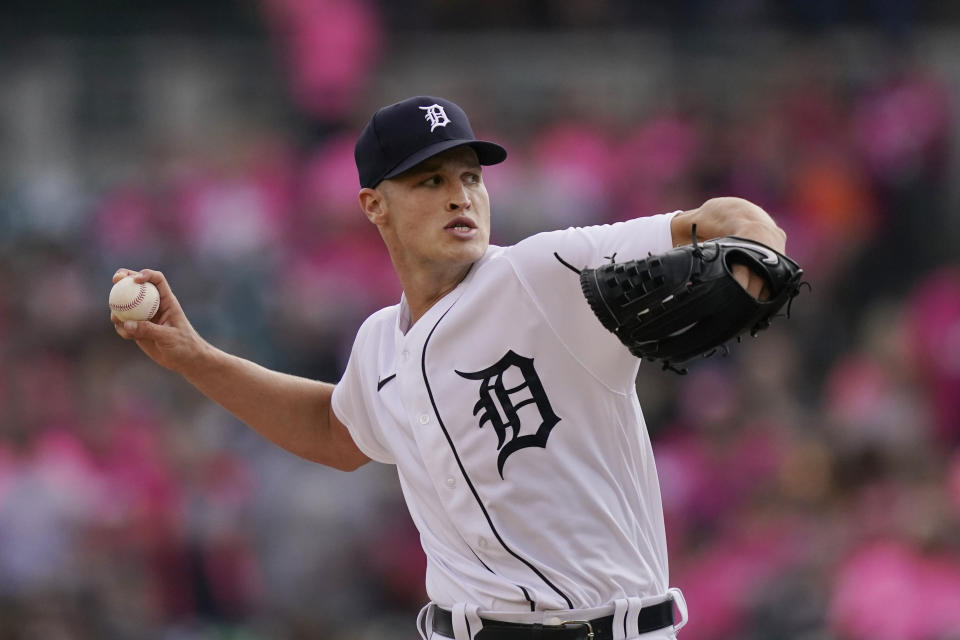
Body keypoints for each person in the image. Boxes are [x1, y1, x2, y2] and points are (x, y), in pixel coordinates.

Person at [112, 96, 786, 640]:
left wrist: (755, 249)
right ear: (374, 206)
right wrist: (194, 359)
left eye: (469, 176)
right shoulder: (379, 340)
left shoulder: (542, 273)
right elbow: (335, 431)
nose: (460, 196)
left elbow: (721, 221)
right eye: (429, 180)